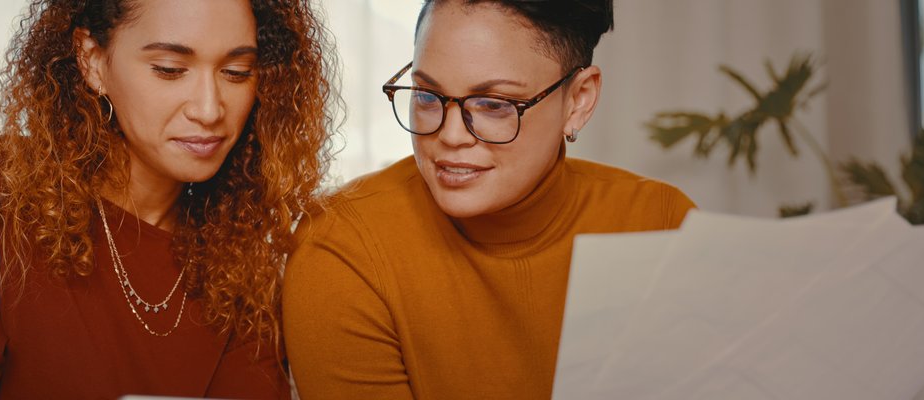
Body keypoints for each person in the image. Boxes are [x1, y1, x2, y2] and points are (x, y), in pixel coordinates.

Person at [0, 0, 335, 398]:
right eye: (170, 70)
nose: (209, 109)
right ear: (92, 60)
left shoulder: (240, 252)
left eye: (236, 72)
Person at [282, 0, 695, 398]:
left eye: (494, 105)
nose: (451, 135)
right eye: (427, 96)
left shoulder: (662, 224)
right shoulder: (343, 246)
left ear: (579, 100)